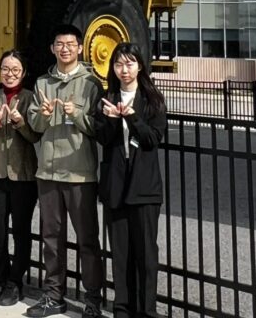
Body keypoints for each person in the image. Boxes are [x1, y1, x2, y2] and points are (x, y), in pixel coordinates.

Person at [26, 24, 104, 318]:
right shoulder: (42, 83)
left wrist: (78, 114)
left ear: (81, 48)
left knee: (87, 240)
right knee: (51, 238)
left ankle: (93, 300)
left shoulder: (91, 84)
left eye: (71, 44)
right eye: (60, 43)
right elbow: (34, 125)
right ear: (52, 48)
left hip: (80, 173)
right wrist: (43, 116)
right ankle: (53, 297)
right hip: (47, 171)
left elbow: (100, 128)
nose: (65, 48)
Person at [93, 42, 167, 318]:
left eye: (130, 63)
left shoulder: (152, 100)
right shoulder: (106, 98)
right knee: (120, 252)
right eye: (119, 64)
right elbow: (101, 138)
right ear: (112, 68)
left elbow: (152, 139)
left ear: (140, 66)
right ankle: (122, 308)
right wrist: (112, 119)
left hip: (144, 187)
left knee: (146, 253)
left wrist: (132, 116)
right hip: (115, 185)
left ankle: (146, 310)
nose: (124, 70)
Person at [0, 49, 41, 306]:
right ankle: (1, 277)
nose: (10, 74)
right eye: (5, 69)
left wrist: (19, 122)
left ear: (23, 73)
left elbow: (35, 135)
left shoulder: (30, 99)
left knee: (21, 232)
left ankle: (16, 282)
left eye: (15, 69)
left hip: (23, 175)